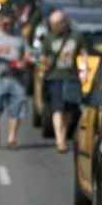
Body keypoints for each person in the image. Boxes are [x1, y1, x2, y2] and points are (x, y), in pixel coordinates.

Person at [0, 11, 32, 148]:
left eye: (9, 23)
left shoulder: (19, 35)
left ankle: (12, 137)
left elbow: (27, 53)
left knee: (17, 105)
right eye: (4, 23)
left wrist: (24, 61)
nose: (7, 26)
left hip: (17, 76)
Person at [41, 10, 86, 153]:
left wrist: (84, 71)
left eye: (56, 24)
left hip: (72, 77)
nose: (54, 26)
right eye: (52, 24)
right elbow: (44, 57)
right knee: (57, 109)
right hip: (55, 77)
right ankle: (60, 140)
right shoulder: (48, 38)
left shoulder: (76, 36)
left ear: (64, 22)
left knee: (68, 111)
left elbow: (84, 54)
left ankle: (63, 134)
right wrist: (44, 65)